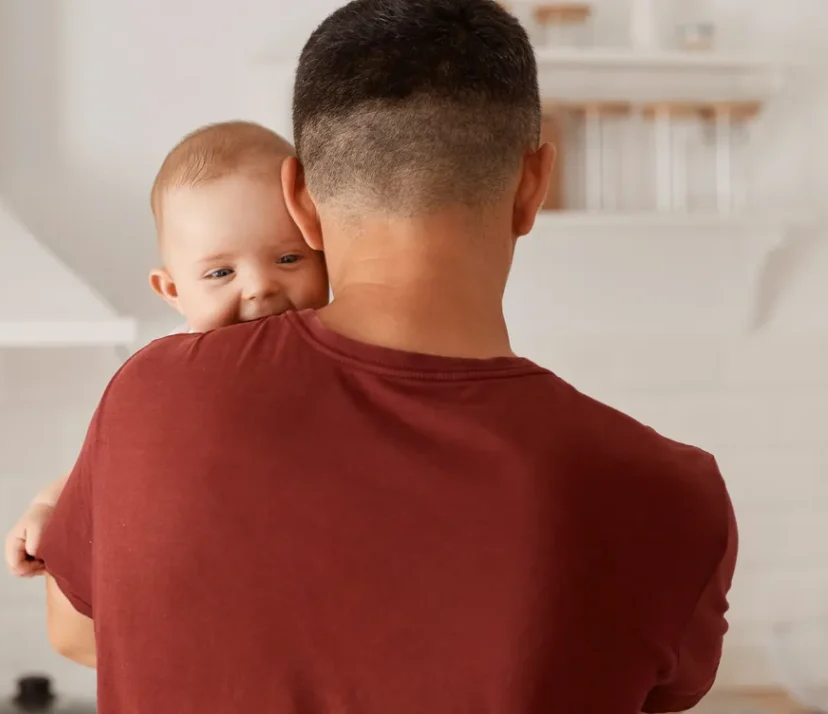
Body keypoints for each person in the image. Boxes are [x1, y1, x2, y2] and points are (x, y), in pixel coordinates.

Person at [38, 0, 738, 711]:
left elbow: (77, 630)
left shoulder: (151, 399)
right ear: (532, 189)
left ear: (301, 198)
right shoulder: (671, 497)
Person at [4, 120, 330, 577]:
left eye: (288, 258)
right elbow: (103, 468)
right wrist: (46, 507)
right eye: (221, 273)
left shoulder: (339, 347)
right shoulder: (166, 378)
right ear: (173, 291)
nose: (260, 287)